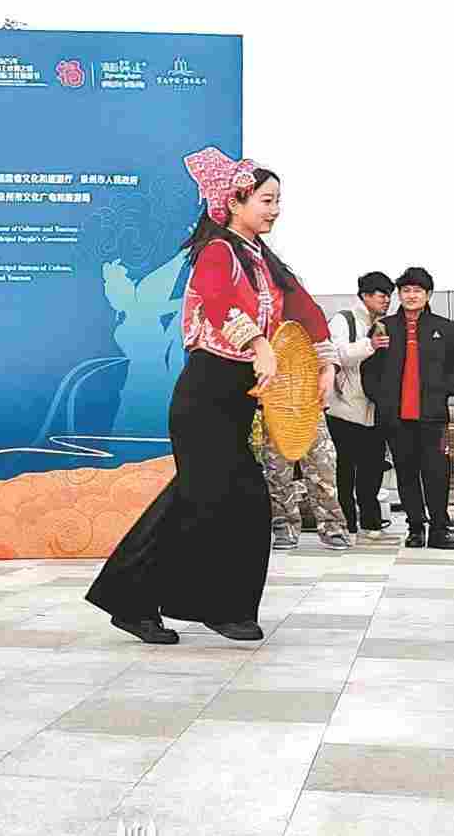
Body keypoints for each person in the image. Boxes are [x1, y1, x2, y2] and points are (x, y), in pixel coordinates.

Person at [87, 148, 337, 644]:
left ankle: (136, 600)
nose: (275, 209)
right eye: (266, 200)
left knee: (198, 501)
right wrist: (259, 343)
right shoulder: (217, 252)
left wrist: (325, 361)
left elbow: (305, 308)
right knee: (231, 500)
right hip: (206, 393)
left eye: (278, 200)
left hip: (236, 400)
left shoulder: (263, 260)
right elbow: (222, 305)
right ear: (235, 202)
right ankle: (214, 608)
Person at [362, 266, 453, 548]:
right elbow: (369, 369)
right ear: (399, 294)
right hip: (396, 417)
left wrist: (441, 391)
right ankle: (415, 528)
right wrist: (382, 398)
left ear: (428, 294)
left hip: (433, 416)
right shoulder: (384, 327)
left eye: (417, 290)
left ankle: (439, 529)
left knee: (437, 473)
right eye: (406, 290)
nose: (411, 295)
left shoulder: (445, 328)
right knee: (406, 472)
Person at [326, 271, 394, 539]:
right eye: (381, 295)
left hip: (373, 409)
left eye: (389, 295)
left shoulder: (384, 323)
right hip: (344, 407)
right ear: (365, 295)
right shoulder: (344, 319)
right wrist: (370, 344)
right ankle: (347, 524)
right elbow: (336, 354)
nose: (386, 300)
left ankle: (370, 521)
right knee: (344, 469)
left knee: (372, 468)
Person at [263, 416, 348, 550]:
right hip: (277, 413)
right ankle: (284, 529)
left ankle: (332, 528)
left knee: (323, 473)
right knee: (278, 476)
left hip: (311, 414)